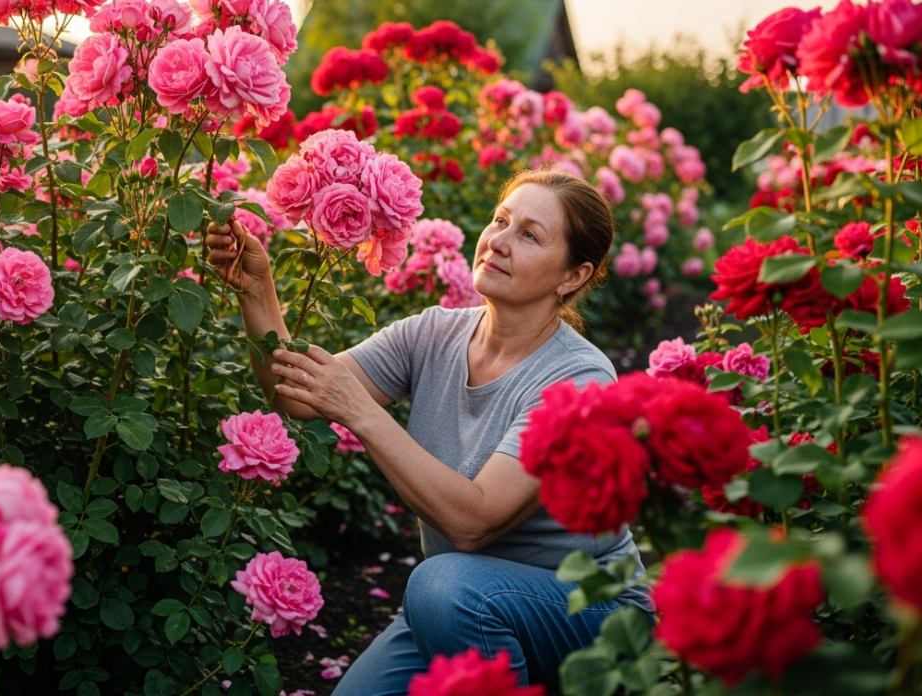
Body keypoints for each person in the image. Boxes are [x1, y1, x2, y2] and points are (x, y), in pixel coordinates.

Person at [205, 169, 652, 692]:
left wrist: (364, 415)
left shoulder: (578, 380)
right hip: (463, 607)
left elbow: (474, 523)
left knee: (441, 582)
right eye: (500, 220)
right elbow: (294, 394)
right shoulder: (432, 333)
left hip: (587, 612)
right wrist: (257, 290)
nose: (499, 243)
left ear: (572, 277)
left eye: (529, 235)